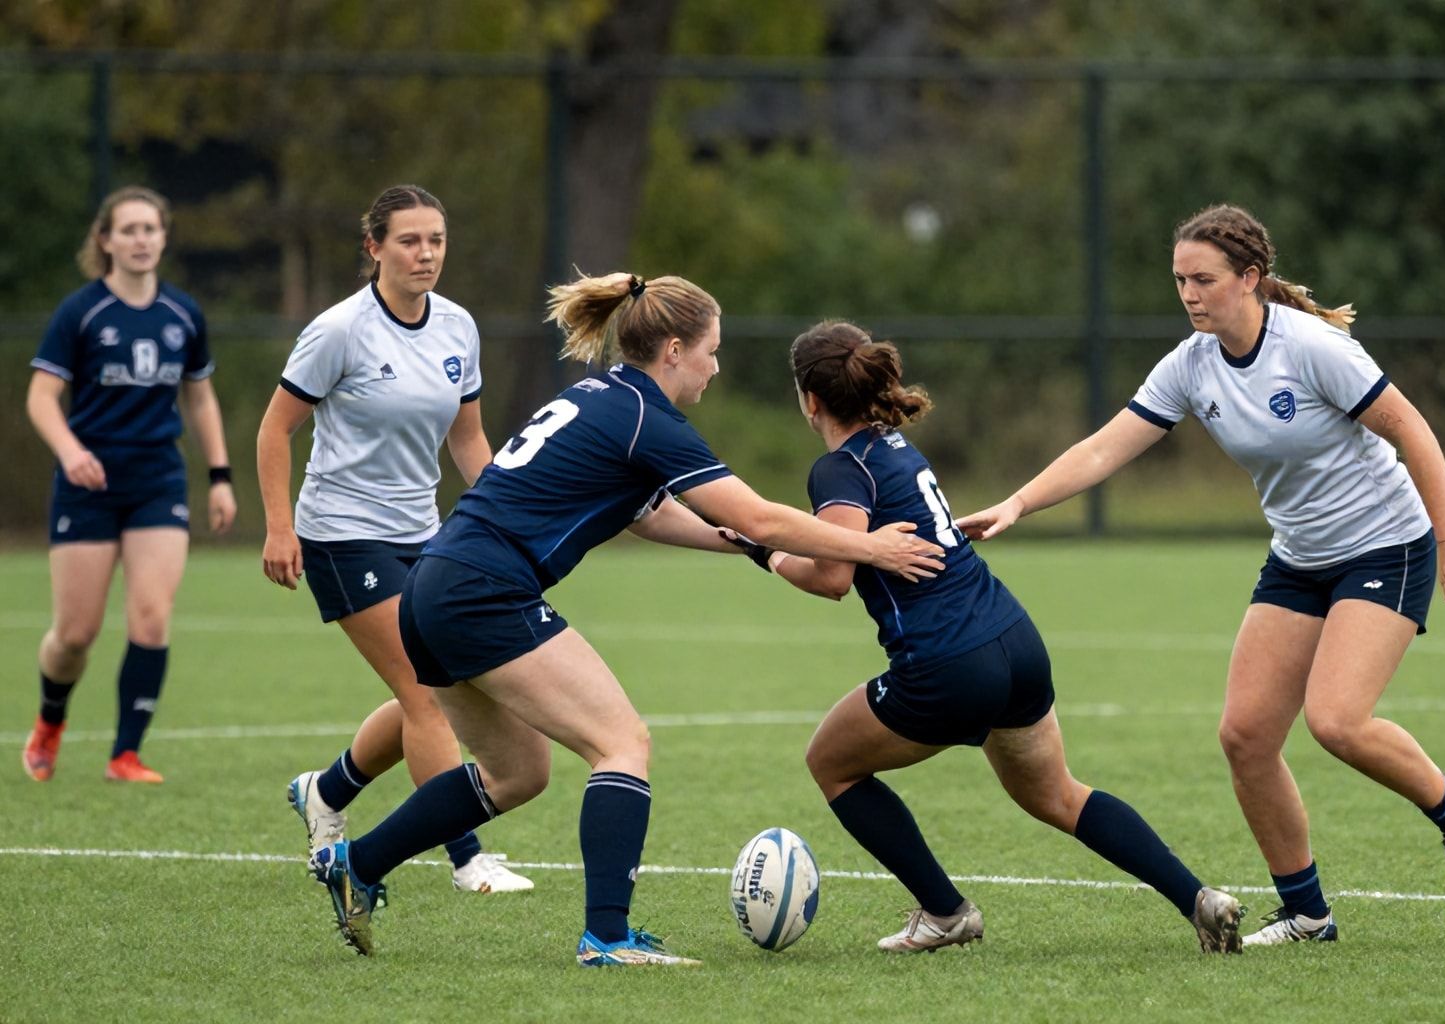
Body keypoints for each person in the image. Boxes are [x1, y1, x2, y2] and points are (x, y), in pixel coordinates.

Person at [303, 271, 944, 967]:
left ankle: (357, 864)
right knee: (623, 743)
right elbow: (756, 513)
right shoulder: (650, 418)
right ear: (673, 350)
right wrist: (868, 545)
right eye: (711, 351)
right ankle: (606, 938)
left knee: (518, 773)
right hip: (482, 591)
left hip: (436, 585)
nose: (716, 366)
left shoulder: (600, 393)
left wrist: (750, 551)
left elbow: (653, 513)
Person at [957, 204, 1445, 947]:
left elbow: (1412, 429)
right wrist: (1017, 503)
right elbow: (1102, 450)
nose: (1189, 294)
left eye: (1204, 279)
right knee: (1246, 736)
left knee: (1337, 721)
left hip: (1387, 546)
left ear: (1251, 278)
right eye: (1180, 279)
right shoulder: (1192, 362)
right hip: (1299, 556)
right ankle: (1308, 914)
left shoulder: (1311, 348)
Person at [729, 320, 1242, 954]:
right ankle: (1198, 898)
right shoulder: (897, 448)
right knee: (1058, 794)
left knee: (829, 762)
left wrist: (766, 554)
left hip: (947, 664)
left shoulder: (838, 469)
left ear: (809, 399)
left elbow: (833, 577)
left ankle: (945, 912)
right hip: (1014, 640)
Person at [259, 184, 531, 894]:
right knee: (425, 692)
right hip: (342, 538)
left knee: (444, 688)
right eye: (409, 240)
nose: (426, 253)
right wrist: (279, 526)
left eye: (436, 240)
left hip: (424, 533)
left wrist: (510, 513)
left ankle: (326, 792)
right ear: (374, 247)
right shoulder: (339, 330)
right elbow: (274, 429)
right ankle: (466, 857)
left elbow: (467, 439)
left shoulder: (457, 327)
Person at [23, 186, 235, 785]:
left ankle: (125, 754)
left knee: (150, 618)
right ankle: (49, 721)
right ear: (106, 240)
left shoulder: (183, 314)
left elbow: (199, 395)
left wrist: (219, 476)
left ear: (164, 238)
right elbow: (41, 398)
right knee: (74, 635)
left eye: (151, 229)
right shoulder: (81, 312)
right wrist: (71, 452)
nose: (142, 239)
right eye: (130, 229)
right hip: (87, 484)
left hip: (156, 480)